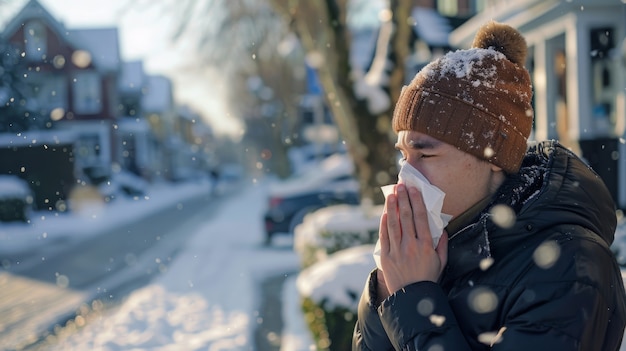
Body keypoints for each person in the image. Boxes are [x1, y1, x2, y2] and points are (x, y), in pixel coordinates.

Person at [352, 20, 626, 350]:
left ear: (493, 155)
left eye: (425, 154)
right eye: (404, 155)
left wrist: (413, 298)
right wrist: (387, 285)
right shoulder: (439, 243)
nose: (405, 176)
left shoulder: (569, 265)